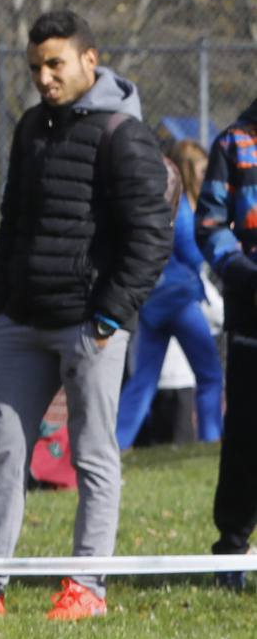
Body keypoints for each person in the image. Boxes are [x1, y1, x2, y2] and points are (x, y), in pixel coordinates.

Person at [0, 11, 171, 622]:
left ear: (90, 59)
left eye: (55, 64)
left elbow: (150, 235)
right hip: (22, 323)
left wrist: (110, 316)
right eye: (35, 67)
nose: (45, 78)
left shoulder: (123, 133)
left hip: (90, 327)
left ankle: (87, 586)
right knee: (2, 452)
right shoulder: (31, 127)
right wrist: (0, 304)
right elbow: (14, 223)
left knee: (92, 455)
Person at [116, 139, 221, 449]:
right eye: (203, 170)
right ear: (188, 170)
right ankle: (211, 440)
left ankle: (116, 444)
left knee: (143, 382)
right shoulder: (185, 212)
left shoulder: (162, 206)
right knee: (211, 375)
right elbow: (195, 254)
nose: (207, 176)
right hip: (180, 303)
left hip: (154, 306)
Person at [200, 93, 257, 587]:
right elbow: (211, 226)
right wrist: (243, 274)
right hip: (251, 322)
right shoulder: (234, 143)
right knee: (245, 439)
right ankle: (232, 551)